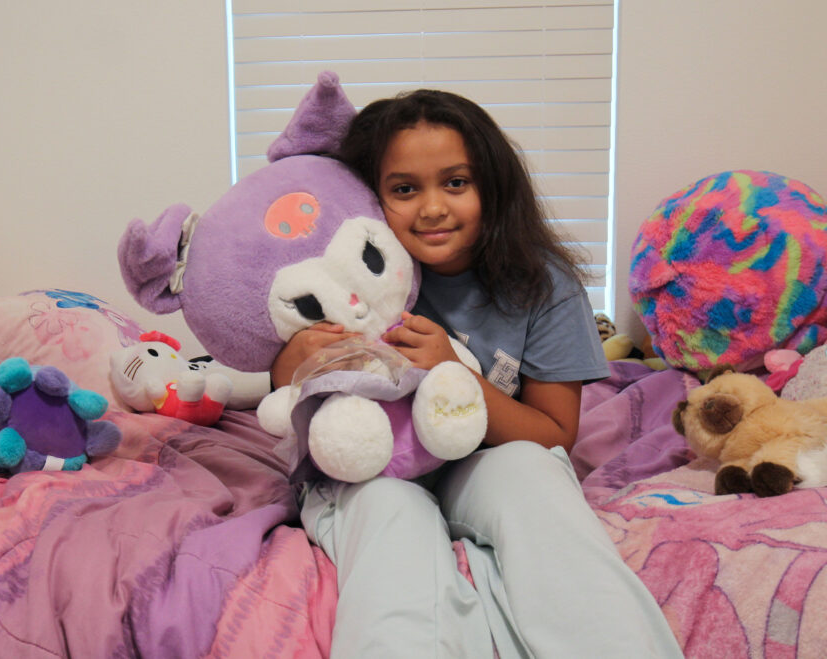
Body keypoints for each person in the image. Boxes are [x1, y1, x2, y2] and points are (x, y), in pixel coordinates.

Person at [271, 89, 683, 658]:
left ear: (492, 186)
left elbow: (553, 434)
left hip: (485, 461)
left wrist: (454, 374)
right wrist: (289, 365)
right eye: (404, 189)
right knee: (389, 514)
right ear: (369, 197)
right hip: (376, 471)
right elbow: (288, 390)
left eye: (456, 183)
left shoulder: (543, 285)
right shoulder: (349, 278)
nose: (433, 207)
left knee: (529, 477)